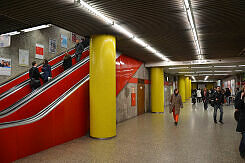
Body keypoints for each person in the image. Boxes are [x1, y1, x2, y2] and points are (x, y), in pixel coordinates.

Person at [235, 86, 245, 158]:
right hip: (243, 118)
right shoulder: (240, 94)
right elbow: (238, 106)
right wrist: (241, 97)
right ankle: (242, 150)